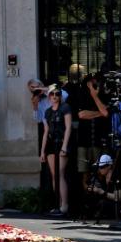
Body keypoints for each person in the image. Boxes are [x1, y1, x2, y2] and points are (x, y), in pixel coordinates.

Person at [41, 85, 72, 215]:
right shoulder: (47, 111)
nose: (54, 96)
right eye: (52, 94)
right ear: (48, 96)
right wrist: (42, 151)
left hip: (61, 143)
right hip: (51, 144)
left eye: (57, 94)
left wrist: (64, 146)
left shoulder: (65, 107)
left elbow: (68, 127)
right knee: (54, 175)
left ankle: (65, 204)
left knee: (60, 173)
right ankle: (57, 204)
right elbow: (46, 131)